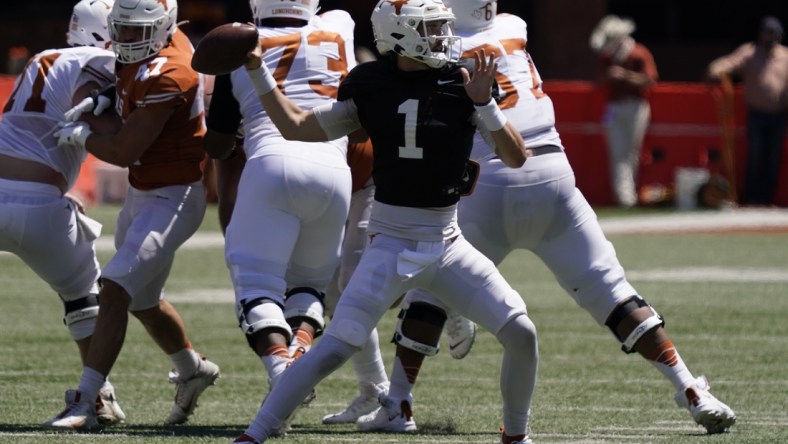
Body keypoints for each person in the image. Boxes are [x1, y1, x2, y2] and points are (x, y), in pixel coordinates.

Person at [358, 0, 736, 436]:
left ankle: (399, 401)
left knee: (429, 288)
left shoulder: (445, 46)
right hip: (554, 174)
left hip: (491, 179)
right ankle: (690, 388)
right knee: (611, 290)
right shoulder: (513, 27)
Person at [231, 1, 537, 443]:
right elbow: (297, 126)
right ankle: (255, 434)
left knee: (522, 333)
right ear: (398, 36)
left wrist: (485, 103)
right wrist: (259, 72)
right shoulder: (371, 84)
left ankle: (517, 436)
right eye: (429, 28)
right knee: (334, 348)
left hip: (448, 241)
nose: (441, 37)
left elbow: (515, 156)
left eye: (440, 27)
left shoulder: (462, 81)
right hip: (391, 242)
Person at [44, 0, 220, 430]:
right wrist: (105, 97)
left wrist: (84, 136)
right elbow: (129, 80)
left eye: (134, 33)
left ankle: (87, 400)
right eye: (119, 30)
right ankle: (193, 368)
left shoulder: (173, 69)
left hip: (174, 196)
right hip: (144, 194)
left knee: (116, 286)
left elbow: (124, 151)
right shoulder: (152, 44)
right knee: (143, 300)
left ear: (162, 30)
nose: (123, 42)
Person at [202, 0, 356, 433]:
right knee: (308, 286)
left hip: (271, 160)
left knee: (256, 287)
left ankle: (281, 375)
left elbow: (216, 145)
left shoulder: (239, 45)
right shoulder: (340, 27)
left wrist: (231, 132)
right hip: (333, 168)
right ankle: (297, 360)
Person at [0, 0, 126, 427]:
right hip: (39, 204)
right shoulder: (100, 58)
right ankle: (97, 397)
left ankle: (100, 397)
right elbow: (102, 122)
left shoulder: (42, 57)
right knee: (84, 296)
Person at [707, 16, 788, 206]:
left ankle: (766, 199)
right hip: (757, 115)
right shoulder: (750, 52)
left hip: (779, 115)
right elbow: (728, 63)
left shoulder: (785, 56)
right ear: (761, 34)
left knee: (773, 158)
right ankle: (752, 199)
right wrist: (715, 69)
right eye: (768, 32)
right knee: (755, 156)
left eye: (775, 33)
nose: (771, 36)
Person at [590, 14, 659, 208]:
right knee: (617, 151)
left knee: (631, 152)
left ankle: (628, 195)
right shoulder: (607, 57)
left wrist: (625, 76)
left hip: (635, 106)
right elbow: (599, 81)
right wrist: (610, 77)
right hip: (614, 106)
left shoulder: (638, 53)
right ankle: (624, 197)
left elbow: (649, 80)